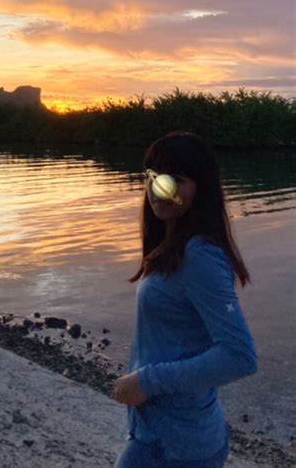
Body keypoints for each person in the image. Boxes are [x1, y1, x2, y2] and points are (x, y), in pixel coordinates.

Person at [112, 131, 258, 467]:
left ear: (201, 189)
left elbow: (239, 356)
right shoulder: (172, 249)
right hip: (163, 433)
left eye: (174, 180)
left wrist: (146, 381)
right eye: (152, 177)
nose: (156, 189)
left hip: (176, 446)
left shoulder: (200, 256)